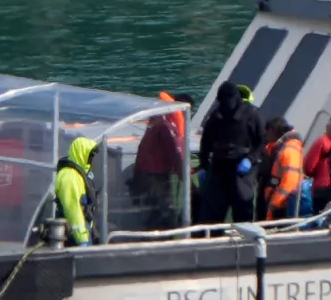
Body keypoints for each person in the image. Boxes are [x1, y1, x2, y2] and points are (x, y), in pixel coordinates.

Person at [197, 81, 265, 223]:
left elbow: (262, 142)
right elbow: (206, 143)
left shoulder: (252, 114)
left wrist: (250, 159)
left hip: (242, 170)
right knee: (212, 210)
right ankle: (213, 240)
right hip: (218, 168)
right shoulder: (216, 116)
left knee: (243, 206)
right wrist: (203, 166)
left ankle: (244, 240)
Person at [129, 93, 187, 228]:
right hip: (157, 177)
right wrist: (186, 178)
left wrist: (136, 176)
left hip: (145, 174)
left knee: (153, 211)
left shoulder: (153, 124)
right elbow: (175, 154)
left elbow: (141, 151)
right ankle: (167, 239)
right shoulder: (165, 128)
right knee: (165, 212)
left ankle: (151, 235)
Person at [51, 136, 99, 246]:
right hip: (74, 237)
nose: (91, 159)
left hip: (83, 232)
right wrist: (83, 240)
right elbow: (73, 210)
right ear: (82, 154)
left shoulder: (80, 175)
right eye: (90, 155)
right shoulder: (69, 176)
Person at [262, 117, 307, 219]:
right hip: (280, 203)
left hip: (282, 206)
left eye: (267, 131)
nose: (266, 134)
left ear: (274, 131)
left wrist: (274, 204)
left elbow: (290, 182)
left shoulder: (289, 150)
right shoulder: (283, 147)